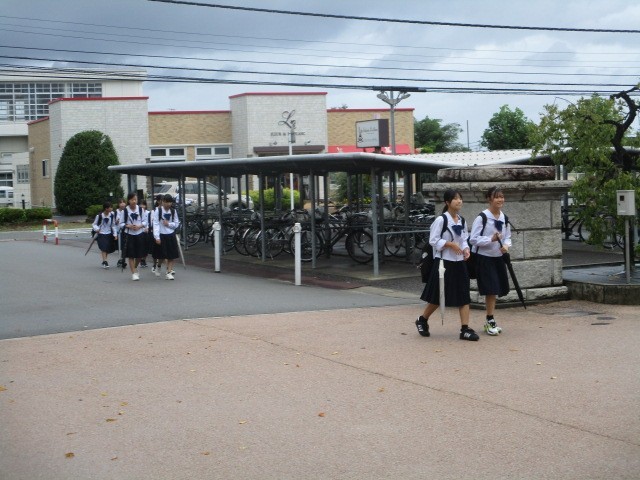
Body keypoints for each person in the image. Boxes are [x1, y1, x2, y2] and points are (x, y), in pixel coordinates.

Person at [415, 189, 478, 341]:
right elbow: (433, 240)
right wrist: (449, 244)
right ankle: (422, 319)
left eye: (460, 198)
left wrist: (466, 249)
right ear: (447, 202)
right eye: (455, 199)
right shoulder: (441, 220)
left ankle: (465, 329)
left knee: (464, 295)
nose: (459, 201)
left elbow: (464, 239)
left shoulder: (462, 220)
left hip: (459, 262)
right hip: (443, 262)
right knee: (438, 295)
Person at [469, 186, 512, 336]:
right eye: (497, 197)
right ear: (489, 199)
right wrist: (490, 239)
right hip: (484, 258)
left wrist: (506, 246)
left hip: (498, 258)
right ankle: (490, 320)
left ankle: (490, 319)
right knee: (491, 289)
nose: (500, 200)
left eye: (502, 197)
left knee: (497, 289)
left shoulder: (504, 218)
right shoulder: (482, 217)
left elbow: (508, 237)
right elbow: (473, 239)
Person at [121, 192, 148, 281]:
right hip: (129, 234)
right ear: (129, 200)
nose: (134, 201)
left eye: (135, 199)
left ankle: (135, 267)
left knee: (140, 255)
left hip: (139, 233)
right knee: (131, 255)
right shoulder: (125, 211)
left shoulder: (140, 210)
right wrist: (128, 226)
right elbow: (121, 224)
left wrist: (139, 226)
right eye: (132, 199)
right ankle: (133, 273)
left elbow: (145, 221)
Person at [153, 193, 180, 280]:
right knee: (162, 255)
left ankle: (168, 272)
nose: (168, 204)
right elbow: (155, 224)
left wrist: (169, 224)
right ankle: (159, 265)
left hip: (171, 234)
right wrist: (157, 237)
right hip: (161, 234)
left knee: (171, 255)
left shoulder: (173, 211)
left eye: (170, 202)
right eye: (166, 202)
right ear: (163, 202)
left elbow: (176, 223)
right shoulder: (158, 211)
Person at [92, 202, 118, 268]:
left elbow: (113, 225)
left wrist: (115, 234)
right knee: (104, 247)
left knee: (107, 248)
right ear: (106, 208)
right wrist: (97, 229)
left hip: (109, 233)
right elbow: (94, 224)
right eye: (110, 207)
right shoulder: (99, 216)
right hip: (101, 234)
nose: (112, 208)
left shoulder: (112, 215)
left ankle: (104, 261)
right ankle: (105, 261)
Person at [114, 198, 127, 269]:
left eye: (123, 202)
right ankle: (121, 259)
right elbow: (113, 223)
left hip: (126, 230)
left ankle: (122, 259)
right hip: (119, 231)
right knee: (120, 246)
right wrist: (116, 221)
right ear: (118, 204)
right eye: (120, 203)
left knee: (125, 246)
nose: (122, 204)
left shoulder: (126, 211)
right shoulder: (116, 212)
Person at [139, 199, 150, 268]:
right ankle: (141, 260)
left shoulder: (148, 213)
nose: (142, 206)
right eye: (141, 204)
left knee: (146, 247)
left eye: (143, 204)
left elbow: (149, 222)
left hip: (146, 232)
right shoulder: (138, 213)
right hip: (140, 232)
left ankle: (144, 260)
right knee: (141, 247)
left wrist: (148, 228)